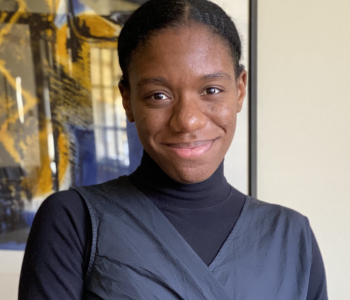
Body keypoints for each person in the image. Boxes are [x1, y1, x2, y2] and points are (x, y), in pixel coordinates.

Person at [19, 0, 328, 299]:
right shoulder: (74, 221)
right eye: (158, 95)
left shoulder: (291, 236)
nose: (188, 121)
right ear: (127, 100)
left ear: (240, 90)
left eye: (211, 90)